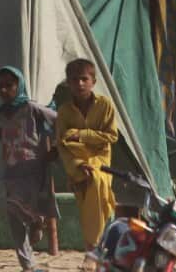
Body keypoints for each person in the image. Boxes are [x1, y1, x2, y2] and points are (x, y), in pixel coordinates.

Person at [0, 66, 59, 272]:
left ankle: (38, 222)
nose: (4, 90)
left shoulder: (31, 108)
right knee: (14, 217)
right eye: (0, 86)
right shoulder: (0, 114)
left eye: (9, 85)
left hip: (34, 171)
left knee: (32, 212)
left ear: (19, 85)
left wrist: (55, 147)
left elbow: (60, 121)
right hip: (12, 173)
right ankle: (27, 265)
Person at [56, 58, 117, 249]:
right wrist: (77, 165)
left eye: (84, 79)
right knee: (88, 201)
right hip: (77, 162)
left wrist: (81, 134)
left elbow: (111, 136)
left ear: (93, 82)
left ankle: (93, 246)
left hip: (100, 160)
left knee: (97, 183)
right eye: (74, 80)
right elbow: (62, 145)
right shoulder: (64, 111)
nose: (79, 84)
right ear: (68, 83)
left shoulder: (104, 105)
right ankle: (94, 246)